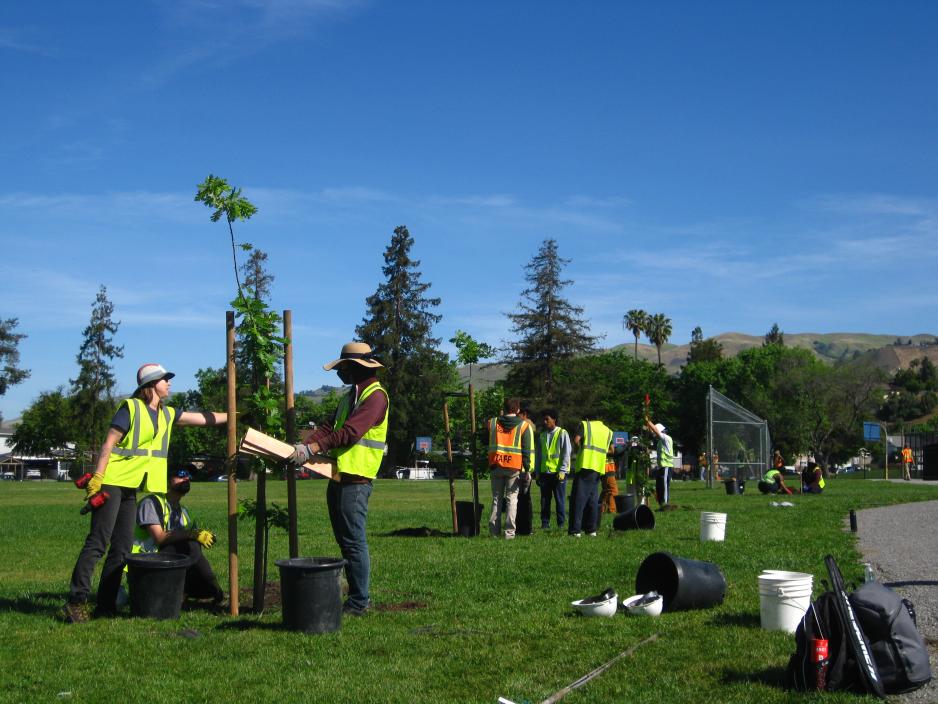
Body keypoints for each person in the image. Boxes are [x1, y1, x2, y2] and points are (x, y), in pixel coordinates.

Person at [62, 363, 228, 623]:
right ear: (151, 385)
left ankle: (105, 606)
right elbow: (108, 444)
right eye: (165, 379)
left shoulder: (166, 414)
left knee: (122, 547)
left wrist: (234, 415)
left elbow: (202, 418)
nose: (169, 383)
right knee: (98, 543)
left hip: (130, 486)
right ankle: (76, 601)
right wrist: (98, 477)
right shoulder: (130, 409)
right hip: (111, 482)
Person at [290, 342, 389, 616]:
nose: (340, 373)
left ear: (356, 367)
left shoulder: (375, 396)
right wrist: (301, 445)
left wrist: (312, 449)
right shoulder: (350, 397)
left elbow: (349, 433)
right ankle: (356, 597)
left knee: (354, 541)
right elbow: (328, 427)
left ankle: (359, 602)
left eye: (343, 368)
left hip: (357, 480)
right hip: (338, 477)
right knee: (345, 540)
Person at [133, 466, 224, 604]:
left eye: (188, 476)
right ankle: (181, 593)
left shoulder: (184, 512)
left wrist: (203, 536)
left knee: (194, 549)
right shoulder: (151, 503)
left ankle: (211, 590)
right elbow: (160, 538)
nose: (186, 478)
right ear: (167, 480)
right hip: (147, 562)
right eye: (181, 474)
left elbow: (191, 543)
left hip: (173, 564)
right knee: (192, 545)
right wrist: (192, 534)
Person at [485, 398, 534, 539]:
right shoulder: (524, 426)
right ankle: (509, 533)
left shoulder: (492, 422)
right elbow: (525, 450)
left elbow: (485, 434)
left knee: (496, 499)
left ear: (504, 408)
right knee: (512, 500)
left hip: (496, 465)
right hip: (514, 467)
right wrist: (527, 469)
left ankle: (494, 533)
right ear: (518, 409)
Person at [570, 415, 613, 536]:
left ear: (588, 419)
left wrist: (580, 450)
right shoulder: (608, 431)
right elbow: (612, 450)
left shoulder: (585, 425)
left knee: (578, 499)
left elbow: (576, 440)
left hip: (585, 464)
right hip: (598, 467)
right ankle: (591, 530)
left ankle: (576, 530)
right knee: (592, 500)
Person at [534, 408, 571, 529]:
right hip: (545, 473)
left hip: (558, 474)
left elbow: (566, 453)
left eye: (547, 419)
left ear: (554, 420)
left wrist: (563, 470)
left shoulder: (562, 433)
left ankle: (561, 524)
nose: (545, 422)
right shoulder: (542, 435)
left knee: (560, 500)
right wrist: (538, 473)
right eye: (543, 419)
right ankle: (545, 524)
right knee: (544, 501)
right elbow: (538, 455)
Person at [644, 416, 674, 510]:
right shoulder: (660, 442)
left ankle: (665, 505)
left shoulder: (666, 438)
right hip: (661, 467)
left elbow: (656, 431)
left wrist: (648, 421)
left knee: (664, 486)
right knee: (659, 487)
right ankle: (661, 504)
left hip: (666, 467)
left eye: (656, 433)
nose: (655, 436)